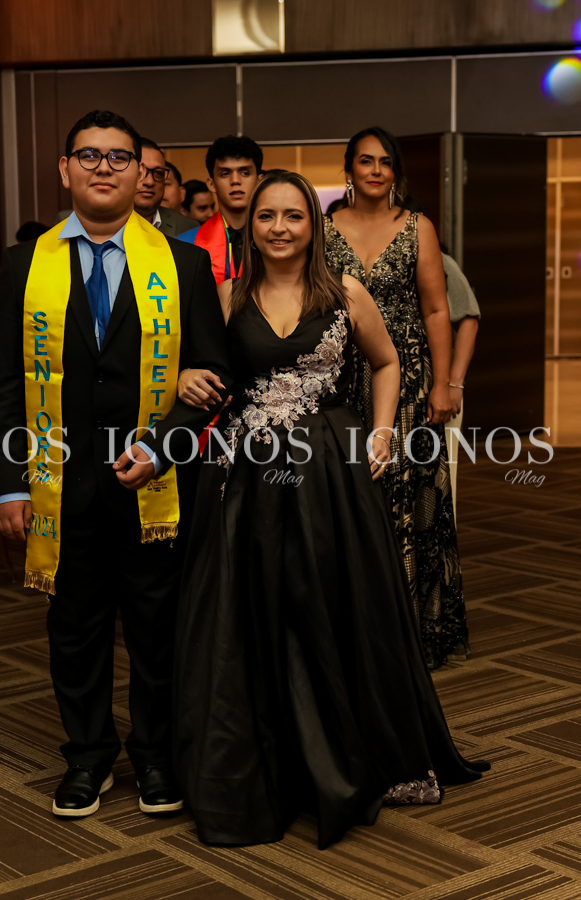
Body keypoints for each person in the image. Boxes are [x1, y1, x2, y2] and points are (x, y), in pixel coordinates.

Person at [174, 171, 488, 849]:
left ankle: (344, 750)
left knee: (326, 602)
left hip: (326, 473)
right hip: (247, 474)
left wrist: (382, 432)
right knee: (252, 607)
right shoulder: (228, 295)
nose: (280, 228)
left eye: (293, 216)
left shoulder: (344, 292)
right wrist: (185, 376)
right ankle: (266, 757)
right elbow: (200, 369)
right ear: (250, 225)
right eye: (267, 216)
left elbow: (386, 362)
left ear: (312, 226)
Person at [0, 109, 231, 820]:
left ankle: (155, 756)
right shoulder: (23, 264)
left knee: (157, 629)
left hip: (154, 484)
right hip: (59, 483)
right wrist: (6, 483)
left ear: (141, 174)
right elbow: (4, 385)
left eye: (119, 157)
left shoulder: (184, 265)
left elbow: (214, 378)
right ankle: (88, 757)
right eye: (88, 155)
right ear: (65, 170)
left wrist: (161, 446)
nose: (103, 167)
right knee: (75, 629)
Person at [323, 127, 467, 670]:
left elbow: (436, 309)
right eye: (366, 161)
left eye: (385, 162)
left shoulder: (417, 226)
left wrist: (443, 382)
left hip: (405, 379)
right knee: (346, 493)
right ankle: (350, 628)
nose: (376, 170)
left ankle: (407, 634)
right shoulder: (323, 227)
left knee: (406, 497)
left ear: (396, 171)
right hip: (339, 378)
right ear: (349, 170)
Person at [179, 135, 263, 284]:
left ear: (259, 181)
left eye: (245, 173)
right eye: (225, 174)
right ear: (211, 184)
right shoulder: (185, 245)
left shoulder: (277, 239)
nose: (235, 181)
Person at [440, 246, 480, 509]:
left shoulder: (441, 261)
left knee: (443, 481)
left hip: (438, 386)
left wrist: (455, 383)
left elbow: (469, 319)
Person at [134, 138, 198, 237]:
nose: (150, 182)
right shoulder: (108, 225)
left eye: (158, 173)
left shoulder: (187, 227)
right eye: (140, 172)